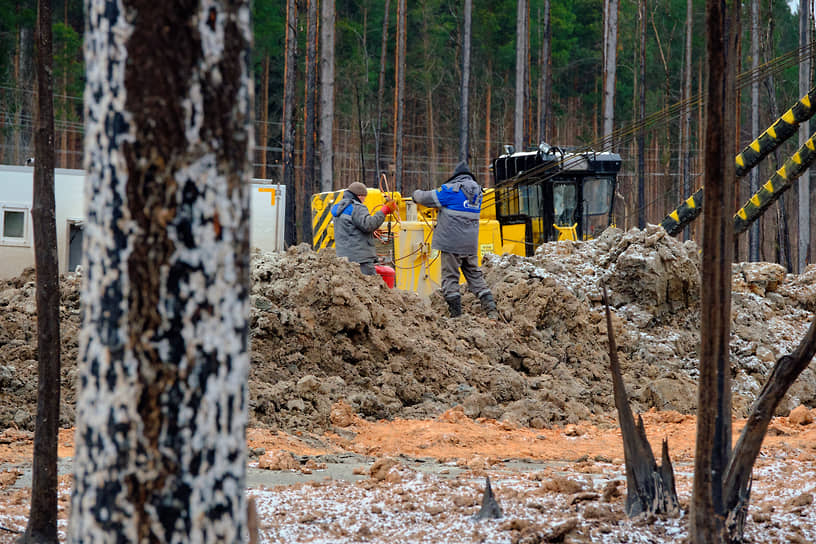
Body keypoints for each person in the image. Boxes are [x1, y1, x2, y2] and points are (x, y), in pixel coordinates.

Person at [412, 162, 498, 319]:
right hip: (470, 244)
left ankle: (456, 316)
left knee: (450, 277)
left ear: (456, 177)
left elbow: (426, 198)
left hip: (451, 243)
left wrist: (415, 194)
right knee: (474, 275)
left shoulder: (451, 190)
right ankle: (491, 310)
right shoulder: (478, 193)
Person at [331, 181, 396, 275]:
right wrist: (384, 211)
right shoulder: (357, 208)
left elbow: (351, 229)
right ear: (359, 195)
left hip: (344, 258)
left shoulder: (339, 208)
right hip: (361, 260)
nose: (364, 200)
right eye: (364, 197)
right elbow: (369, 225)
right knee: (371, 285)